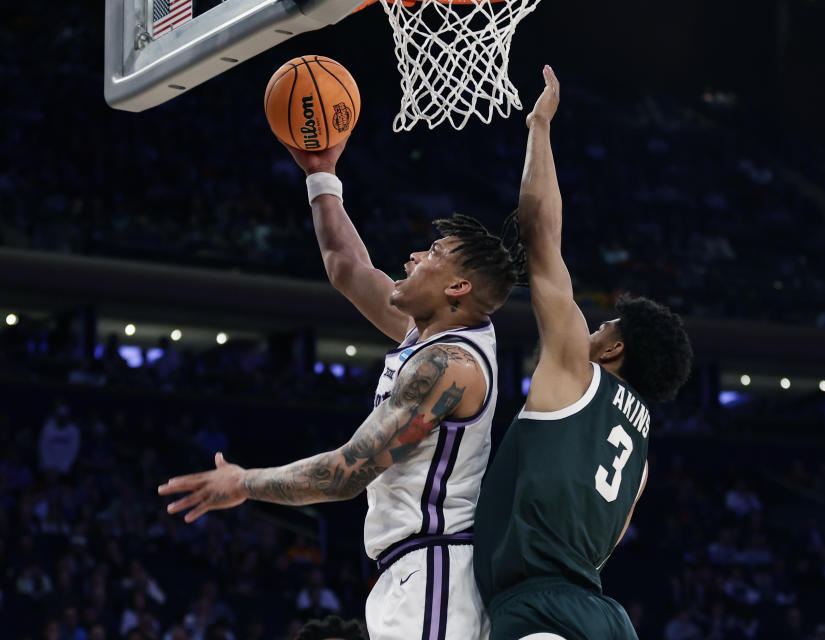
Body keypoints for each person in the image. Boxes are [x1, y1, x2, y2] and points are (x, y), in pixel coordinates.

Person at [159, 136, 525, 640]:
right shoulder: (427, 337)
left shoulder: (448, 366)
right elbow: (346, 267)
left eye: (434, 252)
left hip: (436, 577)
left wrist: (243, 484)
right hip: (410, 573)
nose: (415, 255)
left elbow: (345, 472)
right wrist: (321, 174)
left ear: (457, 288)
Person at [473, 66, 694, 640]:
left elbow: (540, 237)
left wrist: (539, 127)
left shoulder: (577, 369)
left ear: (615, 347)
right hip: (604, 618)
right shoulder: (640, 459)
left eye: (604, 326)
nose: (589, 330)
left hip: (539, 608)